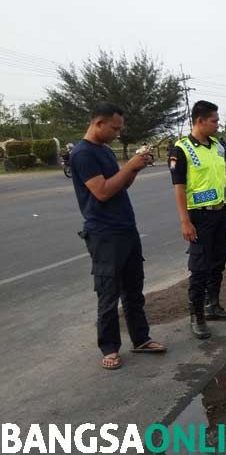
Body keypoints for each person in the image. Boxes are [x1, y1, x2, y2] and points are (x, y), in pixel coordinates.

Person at [70, 103, 166, 371]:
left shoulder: (104, 151)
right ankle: (109, 347)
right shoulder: (82, 154)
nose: (117, 134)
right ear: (98, 123)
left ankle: (141, 339)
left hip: (126, 228)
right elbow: (101, 192)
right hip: (104, 233)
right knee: (108, 292)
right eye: (114, 128)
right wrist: (130, 166)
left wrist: (135, 168)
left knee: (134, 289)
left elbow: (121, 184)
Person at [169, 100, 226, 340]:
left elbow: (225, 179)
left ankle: (214, 306)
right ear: (199, 121)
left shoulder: (218, 147)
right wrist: (184, 220)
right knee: (199, 268)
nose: (218, 124)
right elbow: (179, 188)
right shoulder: (181, 149)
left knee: (218, 261)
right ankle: (197, 316)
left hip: (219, 212)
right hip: (198, 216)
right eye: (214, 120)